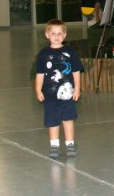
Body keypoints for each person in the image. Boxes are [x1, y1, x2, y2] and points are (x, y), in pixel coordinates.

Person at [34, 19, 84, 158]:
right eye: (53, 33)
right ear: (47, 35)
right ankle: (54, 145)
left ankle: (70, 144)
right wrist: (38, 90)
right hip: (50, 97)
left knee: (68, 119)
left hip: (67, 95)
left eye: (60, 33)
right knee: (52, 122)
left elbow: (76, 72)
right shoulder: (43, 54)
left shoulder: (70, 52)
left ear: (65, 35)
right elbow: (39, 74)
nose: (56, 36)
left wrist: (77, 88)